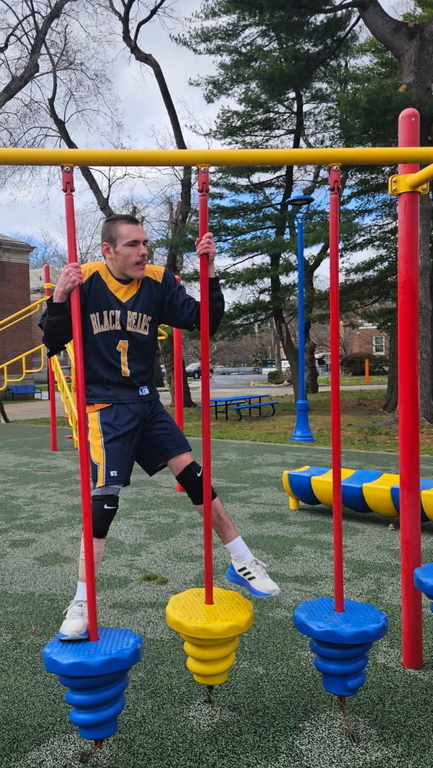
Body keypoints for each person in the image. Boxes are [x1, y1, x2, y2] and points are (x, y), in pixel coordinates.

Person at [40, 213, 280, 640]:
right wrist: (59, 297)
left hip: (146, 402)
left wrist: (210, 271)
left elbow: (204, 322)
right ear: (108, 250)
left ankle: (241, 558)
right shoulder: (86, 278)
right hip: (105, 406)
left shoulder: (158, 279)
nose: (143, 251)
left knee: (194, 475)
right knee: (105, 501)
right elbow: (53, 341)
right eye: (132, 244)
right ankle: (81, 598)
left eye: (145, 243)